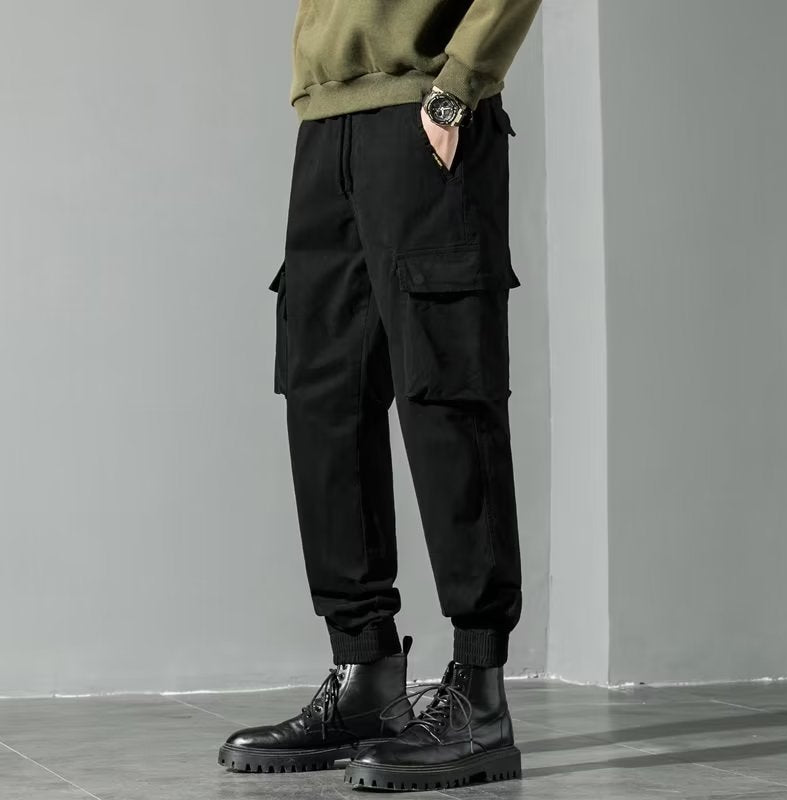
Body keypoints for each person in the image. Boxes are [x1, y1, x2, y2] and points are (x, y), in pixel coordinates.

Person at [217, 0, 541, 791]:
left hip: (423, 111)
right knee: (323, 398)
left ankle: (480, 696)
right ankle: (364, 673)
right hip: (326, 122)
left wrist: (458, 87)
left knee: (447, 396)